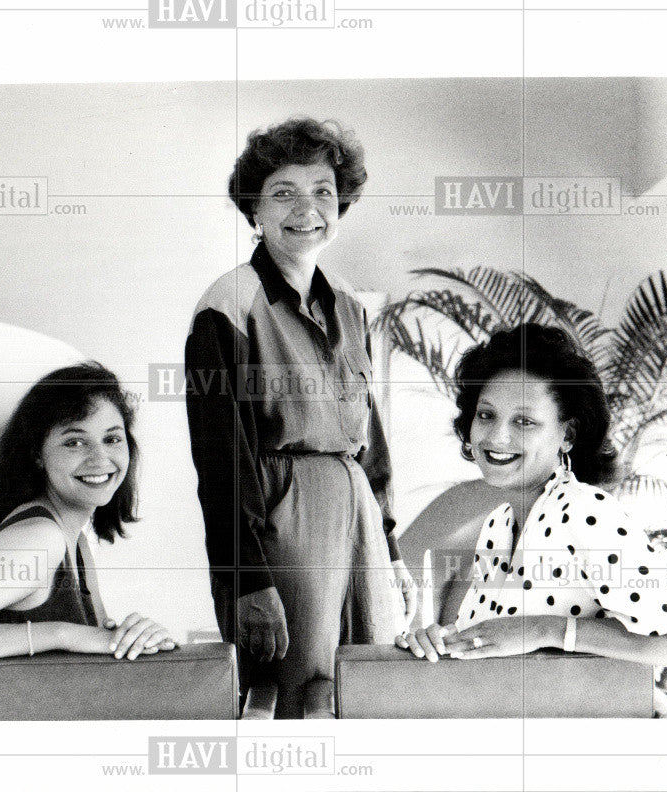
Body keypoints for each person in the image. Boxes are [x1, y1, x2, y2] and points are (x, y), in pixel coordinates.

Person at [185, 117, 414, 718]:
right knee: (293, 689)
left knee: (368, 683)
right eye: (284, 191)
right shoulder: (228, 306)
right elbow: (220, 457)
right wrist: (247, 580)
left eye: (323, 191)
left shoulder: (350, 307)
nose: (306, 208)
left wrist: (390, 548)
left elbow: (372, 444)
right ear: (253, 208)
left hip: (358, 511)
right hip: (282, 516)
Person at [396, 324, 667, 668]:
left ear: (568, 434)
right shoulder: (500, 523)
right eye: (486, 415)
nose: (497, 436)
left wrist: (545, 630)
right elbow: (495, 641)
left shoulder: (584, 510)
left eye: (524, 421)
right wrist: (435, 639)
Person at [0, 363, 177, 668]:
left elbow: (92, 643)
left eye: (112, 439)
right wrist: (61, 634)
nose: (100, 458)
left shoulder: (76, 539)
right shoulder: (38, 539)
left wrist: (133, 636)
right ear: (37, 454)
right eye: (75, 442)